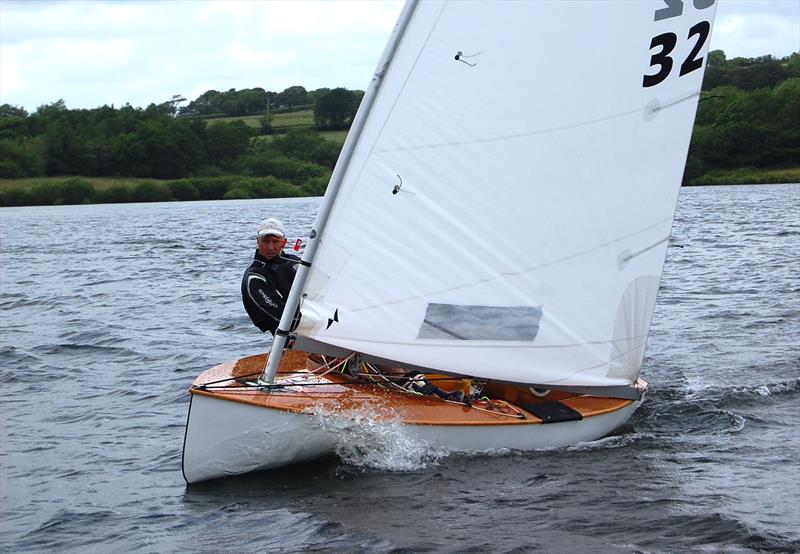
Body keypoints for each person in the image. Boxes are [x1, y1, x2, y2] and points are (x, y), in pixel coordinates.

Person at [241, 217, 300, 335]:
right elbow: (277, 314)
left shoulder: (295, 261)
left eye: (275, 241)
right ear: (258, 242)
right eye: (266, 241)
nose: (270, 247)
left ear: (284, 242)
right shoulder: (254, 275)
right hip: (289, 332)